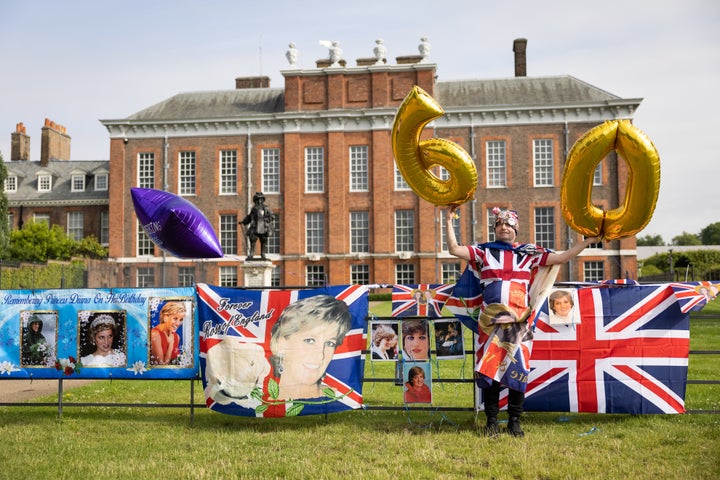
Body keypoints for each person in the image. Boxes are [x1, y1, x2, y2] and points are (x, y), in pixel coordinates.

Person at [446, 205, 599, 436]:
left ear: (516, 229)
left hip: (520, 324)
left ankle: (514, 422)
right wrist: (448, 220)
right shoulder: (484, 252)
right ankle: (491, 422)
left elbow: (564, 256)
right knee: (490, 372)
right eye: (499, 224)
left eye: (508, 224)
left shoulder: (530, 253)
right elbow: (455, 249)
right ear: (494, 229)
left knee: (519, 369)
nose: (504, 227)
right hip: (490, 325)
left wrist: (587, 241)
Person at [269, 295, 352, 400]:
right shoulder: (258, 400)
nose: (320, 355)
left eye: (329, 343)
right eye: (309, 340)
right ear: (279, 343)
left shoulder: (343, 398)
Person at [150, 301, 187, 365]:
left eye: (181, 320)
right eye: (175, 318)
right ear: (165, 317)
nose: (178, 323)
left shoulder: (176, 337)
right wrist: (170, 344)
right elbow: (161, 366)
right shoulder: (154, 334)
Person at [240, 192, 274, 260]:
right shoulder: (254, 208)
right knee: (252, 240)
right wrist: (244, 222)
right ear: (255, 200)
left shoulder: (266, 208)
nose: (259, 201)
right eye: (258, 199)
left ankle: (263, 254)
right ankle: (251, 254)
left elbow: (272, 216)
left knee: (263, 241)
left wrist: (267, 219)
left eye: (261, 199)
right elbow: (249, 217)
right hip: (255, 226)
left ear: (262, 200)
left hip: (264, 227)